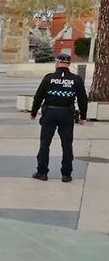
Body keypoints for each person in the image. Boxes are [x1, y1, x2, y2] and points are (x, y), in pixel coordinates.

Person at [30, 53, 88, 182]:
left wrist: (34, 112)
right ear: (69, 64)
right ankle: (66, 174)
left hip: (49, 113)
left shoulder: (48, 78)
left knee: (45, 143)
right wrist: (83, 116)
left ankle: (42, 172)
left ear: (57, 63)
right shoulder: (76, 79)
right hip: (67, 114)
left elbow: (38, 96)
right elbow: (83, 99)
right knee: (67, 144)